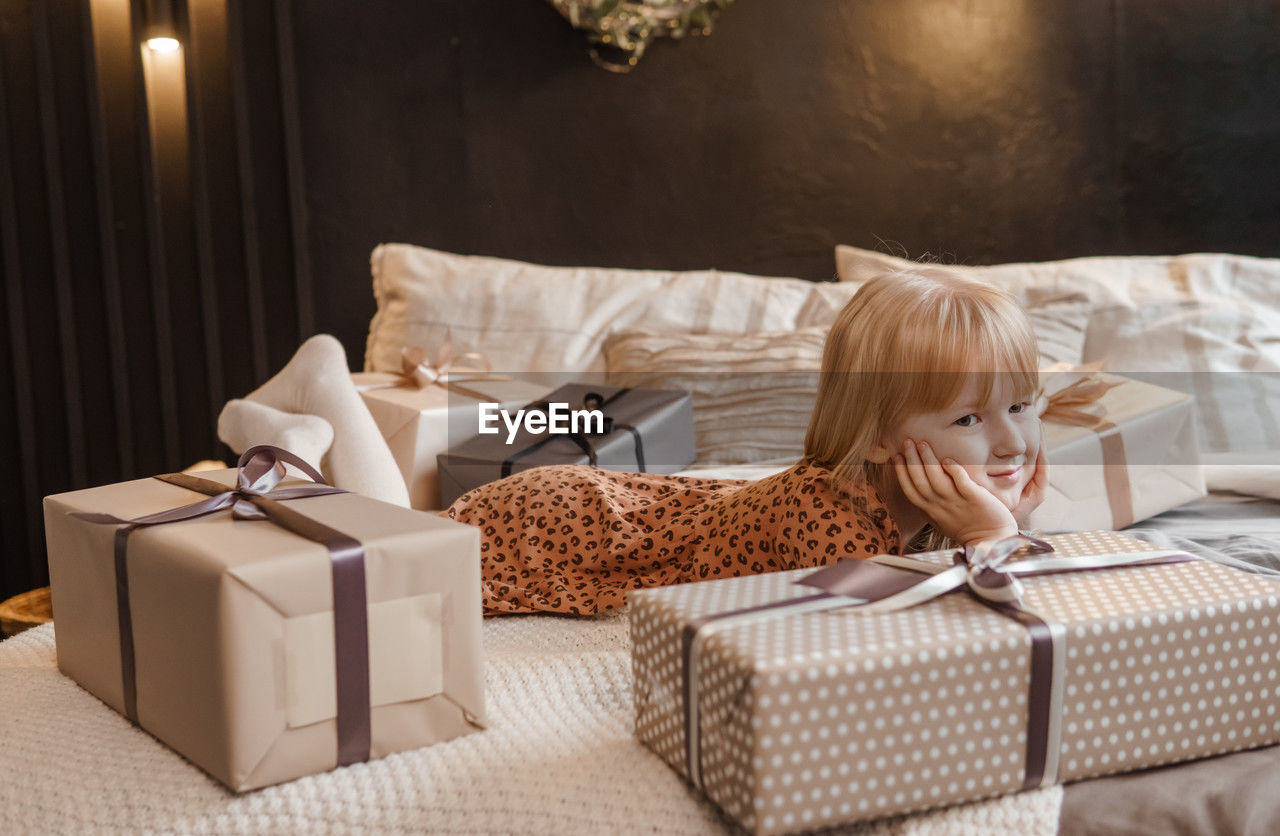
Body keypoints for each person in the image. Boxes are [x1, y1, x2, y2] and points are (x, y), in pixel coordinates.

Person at [446, 268, 1049, 615]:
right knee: (408, 561)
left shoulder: (922, 499)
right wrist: (994, 536)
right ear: (877, 439)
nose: (1012, 443)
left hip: (658, 507)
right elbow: (912, 633)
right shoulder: (828, 521)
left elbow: (1026, 599)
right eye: (969, 420)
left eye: (1020, 406)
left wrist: (1000, 527)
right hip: (563, 518)